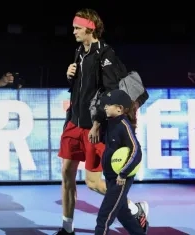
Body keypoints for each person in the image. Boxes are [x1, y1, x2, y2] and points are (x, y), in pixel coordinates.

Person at [56, 9, 149, 235]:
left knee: (93, 183)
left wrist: (98, 123)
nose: (74, 32)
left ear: (90, 28)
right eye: (74, 28)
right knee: (67, 174)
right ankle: (67, 229)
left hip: (94, 128)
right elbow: (83, 88)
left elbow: (110, 96)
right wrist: (70, 74)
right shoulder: (80, 51)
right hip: (74, 123)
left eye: (78, 28)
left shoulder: (106, 56)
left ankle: (134, 208)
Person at [95, 89, 147, 235]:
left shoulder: (124, 125)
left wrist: (123, 174)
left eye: (108, 104)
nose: (105, 107)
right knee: (123, 214)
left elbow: (136, 151)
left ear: (119, 109)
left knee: (103, 218)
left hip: (120, 179)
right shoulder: (110, 123)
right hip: (111, 177)